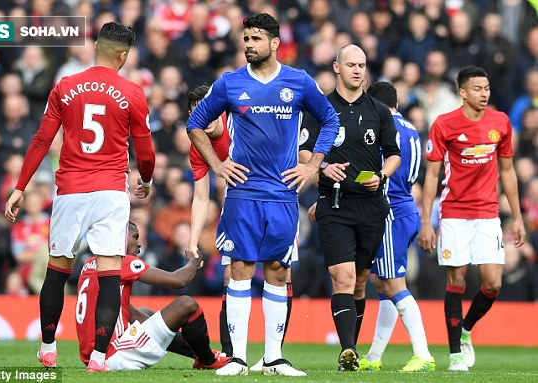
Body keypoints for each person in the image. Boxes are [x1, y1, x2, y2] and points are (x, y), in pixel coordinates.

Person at [186, 13, 339, 377]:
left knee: (278, 270)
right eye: (246, 38)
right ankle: (237, 357)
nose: (249, 44)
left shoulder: (298, 82)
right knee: (239, 268)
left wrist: (312, 165)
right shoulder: (229, 83)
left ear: (274, 43)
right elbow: (194, 124)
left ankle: (273, 358)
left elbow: (330, 120)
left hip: (284, 195)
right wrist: (219, 165)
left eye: (256, 39)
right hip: (243, 194)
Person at [4, 22, 156, 372]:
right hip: (110, 192)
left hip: (70, 189)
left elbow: (42, 140)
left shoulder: (66, 86)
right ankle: (99, 359)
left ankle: (47, 348)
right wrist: (145, 180)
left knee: (57, 272)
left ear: (94, 48)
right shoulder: (132, 91)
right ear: (122, 55)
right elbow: (145, 151)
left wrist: (20, 186)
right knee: (109, 276)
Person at [418, 65, 526, 371]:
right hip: (453, 214)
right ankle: (455, 354)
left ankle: (465, 329)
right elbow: (432, 176)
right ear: (462, 93)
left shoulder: (500, 122)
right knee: (458, 280)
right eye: (477, 89)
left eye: (487, 88)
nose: (484, 94)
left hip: (488, 214)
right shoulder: (444, 124)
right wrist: (427, 221)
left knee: (492, 284)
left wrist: (517, 217)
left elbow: (507, 171)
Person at [300, 45, 401, 371]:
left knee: (359, 281)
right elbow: (303, 153)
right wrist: (322, 167)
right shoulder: (321, 109)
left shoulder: (379, 111)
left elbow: (394, 153)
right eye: (351, 64)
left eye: (362, 65)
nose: (357, 70)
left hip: (371, 205)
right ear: (337, 67)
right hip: (334, 203)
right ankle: (347, 348)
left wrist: (383, 175)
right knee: (341, 276)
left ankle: (350, 352)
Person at [186, 84, 295, 371]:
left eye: (207, 111)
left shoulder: (241, 121)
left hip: (276, 199)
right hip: (239, 208)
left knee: (282, 272)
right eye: (195, 112)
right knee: (231, 275)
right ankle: (232, 354)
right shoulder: (199, 146)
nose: (203, 118)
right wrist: (192, 240)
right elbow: (200, 196)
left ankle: (274, 355)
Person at [76, 221, 231, 371]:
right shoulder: (120, 262)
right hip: (115, 354)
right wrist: (194, 261)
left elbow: (131, 314)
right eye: (135, 237)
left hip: (94, 356)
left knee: (145, 313)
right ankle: (208, 360)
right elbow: (179, 280)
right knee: (186, 304)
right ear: (120, 237)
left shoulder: (89, 264)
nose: (139, 243)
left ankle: (199, 353)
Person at [356, 81, 435, 372]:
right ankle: (375, 356)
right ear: (397, 104)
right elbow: (413, 173)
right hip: (405, 208)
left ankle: (423, 353)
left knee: (393, 283)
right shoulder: (413, 130)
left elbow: (376, 172)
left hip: (389, 210)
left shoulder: (381, 128)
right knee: (383, 283)